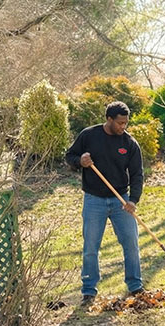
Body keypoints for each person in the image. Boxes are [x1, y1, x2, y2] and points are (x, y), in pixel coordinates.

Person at [65, 101, 144, 306]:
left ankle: (135, 286)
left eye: (126, 123)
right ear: (109, 119)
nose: (123, 127)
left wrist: (133, 200)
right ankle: (89, 291)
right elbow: (69, 156)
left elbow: (137, 174)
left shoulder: (129, 143)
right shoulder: (89, 135)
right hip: (94, 200)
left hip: (121, 200)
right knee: (91, 246)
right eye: (119, 123)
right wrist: (80, 161)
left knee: (131, 243)